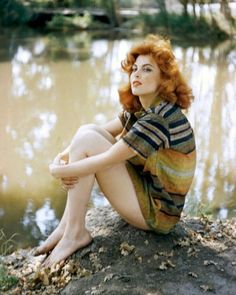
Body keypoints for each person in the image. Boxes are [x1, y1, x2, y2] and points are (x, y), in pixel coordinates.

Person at [36, 35, 196, 267]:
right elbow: (97, 131)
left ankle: (75, 233)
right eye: (135, 69)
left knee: (89, 140)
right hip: (146, 191)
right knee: (87, 130)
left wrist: (58, 171)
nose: (137, 74)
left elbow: (107, 159)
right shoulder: (143, 108)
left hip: (157, 213)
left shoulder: (158, 119)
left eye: (147, 69)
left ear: (164, 79)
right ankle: (67, 226)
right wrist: (63, 155)